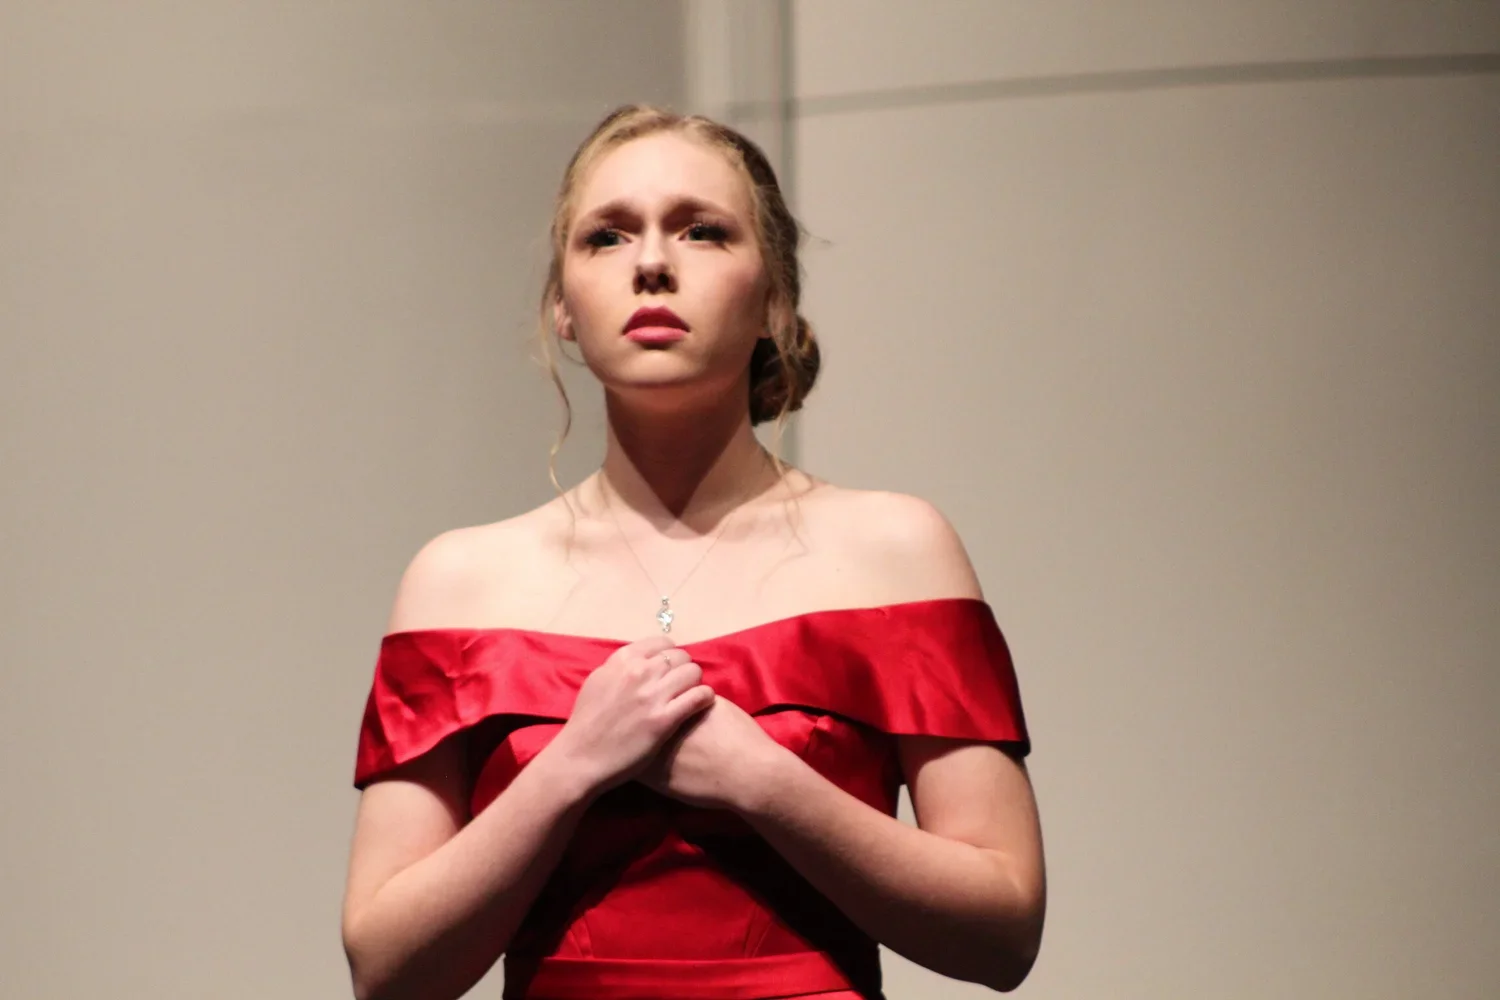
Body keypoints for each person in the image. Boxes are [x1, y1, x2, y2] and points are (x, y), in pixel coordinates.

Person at [340, 105, 1045, 1000]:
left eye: (702, 230)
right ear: (562, 304)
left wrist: (766, 783)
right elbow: (384, 971)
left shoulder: (894, 550)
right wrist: (572, 766)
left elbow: (1005, 932)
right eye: (607, 236)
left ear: (774, 298)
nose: (651, 264)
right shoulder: (462, 581)